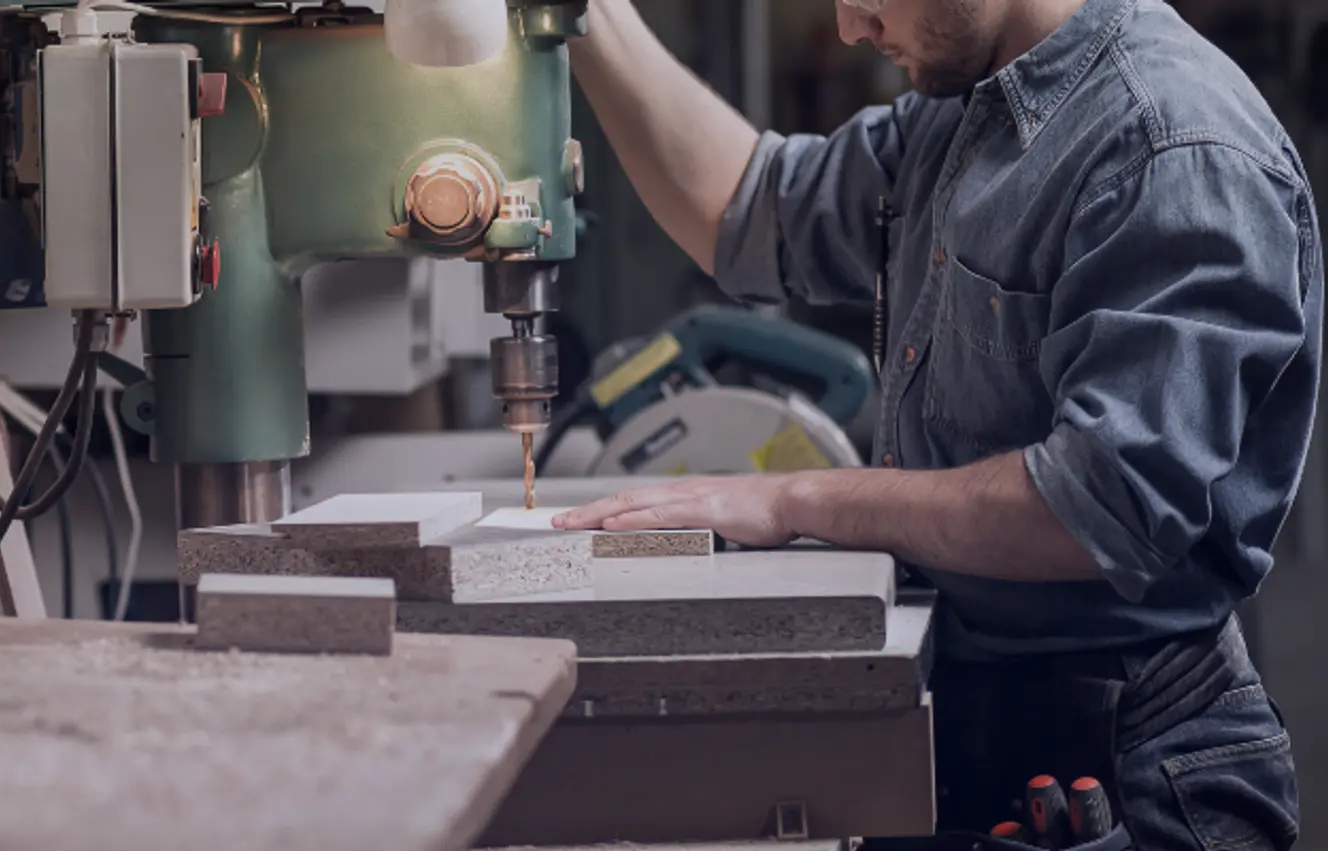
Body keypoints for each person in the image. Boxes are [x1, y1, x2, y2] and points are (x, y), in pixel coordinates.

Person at [559, 0, 1318, 847]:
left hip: (1129, 771)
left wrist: (797, 499)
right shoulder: (966, 112)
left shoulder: (1167, 143)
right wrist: (586, 16)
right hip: (976, 724)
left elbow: (1099, 506)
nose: (850, 26)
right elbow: (754, 209)